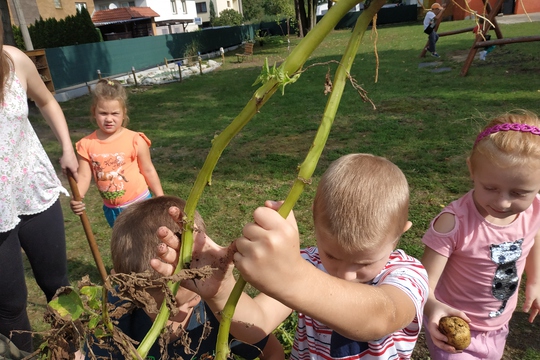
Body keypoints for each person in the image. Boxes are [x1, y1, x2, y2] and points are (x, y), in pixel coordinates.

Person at [153, 154, 429, 359]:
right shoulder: (308, 264)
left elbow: (380, 317)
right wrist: (220, 292)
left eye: (364, 263)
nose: (345, 274)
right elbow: (256, 325)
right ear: (314, 222)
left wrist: (294, 278)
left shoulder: (407, 274)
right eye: (332, 255)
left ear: (400, 233)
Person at [88, 195, 284, 360]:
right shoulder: (114, 319)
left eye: (193, 297)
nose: (188, 307)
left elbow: (272, 352)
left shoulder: (219, 311)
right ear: (125, 288)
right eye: (168, 308)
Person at [421, 111, 540, 359]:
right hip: (452, 331)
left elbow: (534, 237)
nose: (503, 202)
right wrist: (432, 307)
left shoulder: (535, 208)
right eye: (490, 188)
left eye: (519, 193)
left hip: (498, 328)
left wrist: (534, 281)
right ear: (472, 170)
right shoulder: (453, 223)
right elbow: (423, 283)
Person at [0, 20, 79, 352]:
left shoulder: (14, 60)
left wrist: (67, 146)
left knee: (57, 285)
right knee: (10, 306)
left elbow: (46, 101)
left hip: (34, 190)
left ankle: (75, 349)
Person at [70, 79, 163, 227]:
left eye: (114, 113)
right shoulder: (86, 144)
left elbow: (148, 169)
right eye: (103, 113)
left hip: (139, 204)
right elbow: (84, 175)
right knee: (125, 247)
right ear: (93, 112)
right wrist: (77, 197)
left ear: (124, 113)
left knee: (147, 242)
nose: (109, 119)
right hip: (112, 210)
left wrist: (160, 197)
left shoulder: (135, 139)